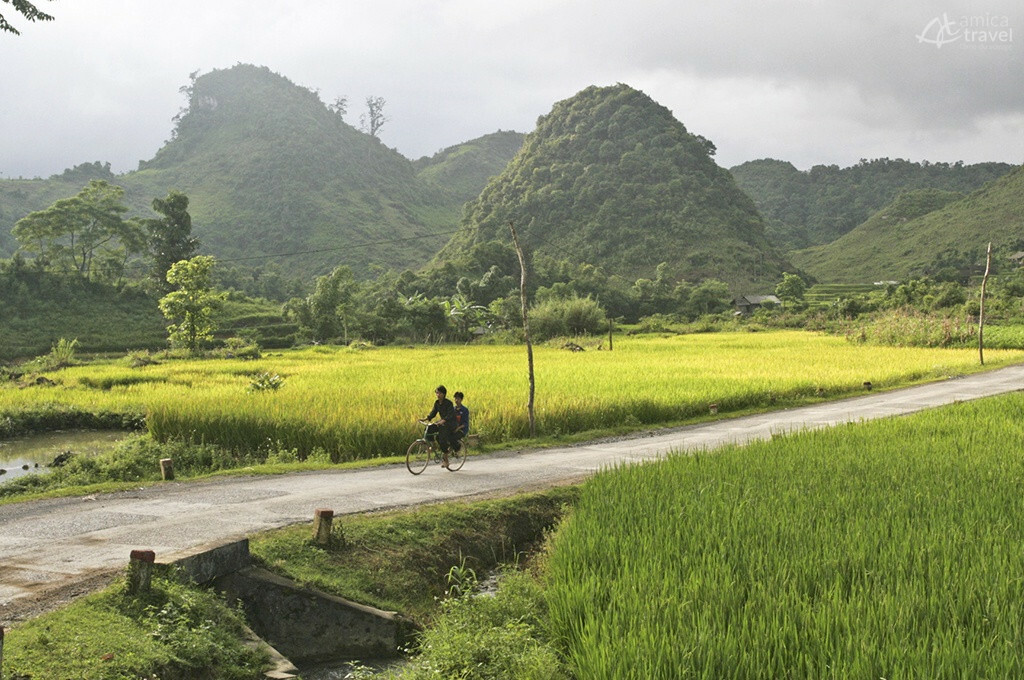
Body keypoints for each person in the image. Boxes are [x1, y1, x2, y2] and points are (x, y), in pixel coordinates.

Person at [422, 384, 456, 467]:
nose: (438, 395)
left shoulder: (449, 403)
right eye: (436, 393)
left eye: (439, 393)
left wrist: (443, 420)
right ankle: (434, 446)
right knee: (429, 428)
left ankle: (446, 460)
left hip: (449, 424)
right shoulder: (437, 403)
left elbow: (450, 415)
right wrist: (426, 418)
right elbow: (433, 412)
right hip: (441, 422)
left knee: (441, 440)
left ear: (443, 394)